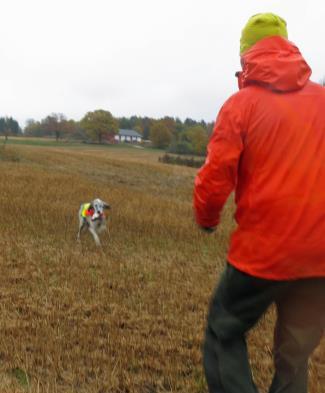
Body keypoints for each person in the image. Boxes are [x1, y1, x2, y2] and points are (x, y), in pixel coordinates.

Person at [193, 12, 325, 393]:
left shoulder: (242, 105)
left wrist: (207, 218)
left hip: (262, 255)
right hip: (319, 258)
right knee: (295, 355)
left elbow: (216, 176)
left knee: (224, 329)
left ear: (245, 55)